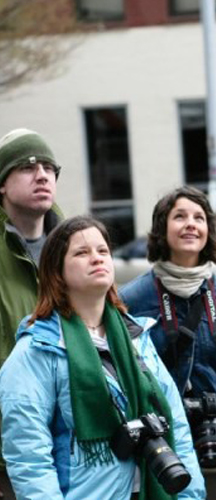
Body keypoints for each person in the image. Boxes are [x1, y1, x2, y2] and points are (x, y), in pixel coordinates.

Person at [0, 216, 205, 499]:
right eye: (82, 253)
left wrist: (190, 495)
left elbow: (176, 425)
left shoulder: (136, 337)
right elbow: (28, 455)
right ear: (56, 270)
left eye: (103, 251)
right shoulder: (38, 349)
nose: (96, 258)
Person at [120, 186, 216, 500]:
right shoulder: (133, 297)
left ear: (208, 231)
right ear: (162, 229)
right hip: (165, 445)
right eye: (180, 217)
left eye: (199, 218)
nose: (191, 224)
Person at [0, 128, 64, 499]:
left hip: (75, 444)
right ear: (2, 185)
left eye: (49, 167)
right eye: (27, 166)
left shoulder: (77, 247)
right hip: (10, 447)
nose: (42, 174)